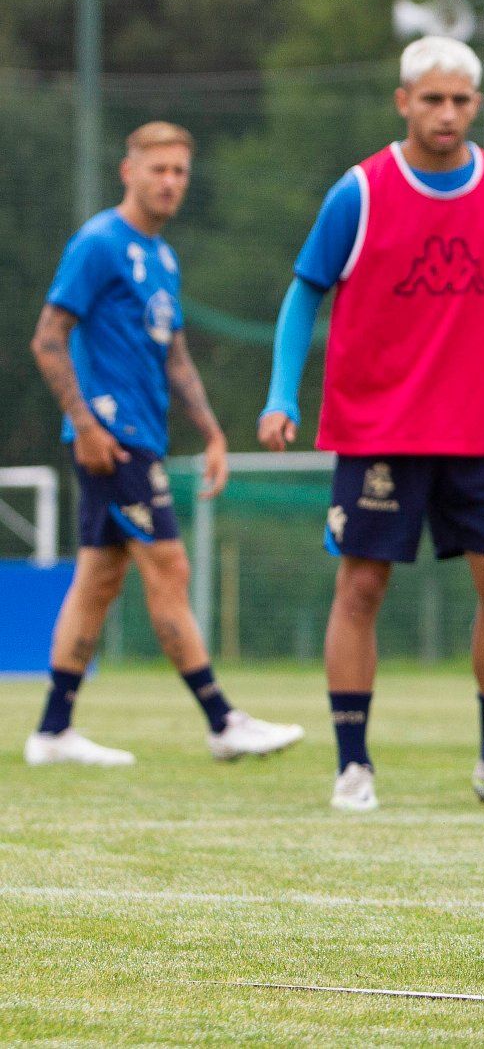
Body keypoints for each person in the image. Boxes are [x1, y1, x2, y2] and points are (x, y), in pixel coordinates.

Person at [258, 36, 484, 813]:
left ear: (476, 104)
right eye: (432, 98)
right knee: (363, 585)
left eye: (460, 100)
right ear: (404, 101)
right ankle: (352, 765)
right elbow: (304, 293)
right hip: (380, 428)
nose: (447, 113)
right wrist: (280, 395)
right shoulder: (360, 191)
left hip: (479, 427)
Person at [25, 122, 303, 766]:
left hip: (142, 437)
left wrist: (212, 432)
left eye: (180, 171)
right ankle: (222, 720)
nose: (170, 182)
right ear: (129, 171)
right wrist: (86, 425)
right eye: (159, 169)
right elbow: (47, 338)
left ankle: (53, 731)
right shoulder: (99, 243)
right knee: (169, 566)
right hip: (113, 439)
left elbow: (174, 355)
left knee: (98, 579)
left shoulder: (165, 258)